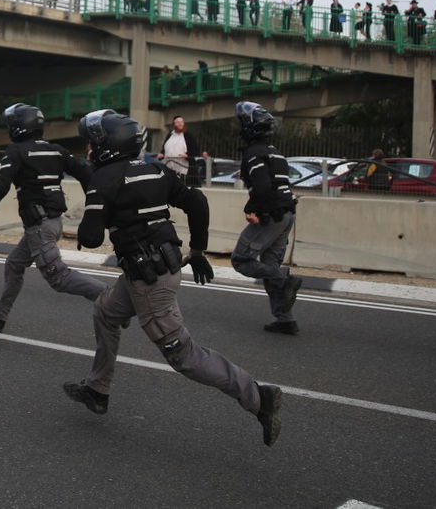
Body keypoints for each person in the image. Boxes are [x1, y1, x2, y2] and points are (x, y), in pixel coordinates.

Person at [63, 109, 283, 446]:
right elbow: (196, 201)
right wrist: (197, 251)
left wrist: (91, 209)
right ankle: (97, 389)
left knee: (184, 356)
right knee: (106, 312)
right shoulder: (153, 168)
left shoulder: (103, 180)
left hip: (149, 283)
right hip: (155, 268)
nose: (89, 151)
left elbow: (91, 237)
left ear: (106, 146)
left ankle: (257, 397)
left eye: (92, 144)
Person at [0, 103, 103, 333]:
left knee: (59, 278)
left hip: (40, 227)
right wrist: (95, 204)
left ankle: (109, 298)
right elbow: (85, 171)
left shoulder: (16, 151)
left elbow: (1, 184)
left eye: (11, 124)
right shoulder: (57, 149)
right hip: (51, 223)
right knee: (14, 264)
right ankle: (0, 315)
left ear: (20, 126)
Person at [231, 102, 304, 334]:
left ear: (249, 128)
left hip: (272, 214)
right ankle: (285, 319)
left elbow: (262, 187)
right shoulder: (275, 151)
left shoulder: (254, 153)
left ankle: (284, 278)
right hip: (287, 214)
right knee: (269, 264)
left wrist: (251, 209)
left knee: (241, 259)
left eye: (242, 123)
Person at [158, 115, 203, 184]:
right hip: (169, 168)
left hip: (185, 170)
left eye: (182, 122)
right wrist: (162, 154)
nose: (180, 124)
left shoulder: (189, 136)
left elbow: (196, 151)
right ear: (174, 124)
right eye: (178, 122)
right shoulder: (169, 136)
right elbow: (164, 149)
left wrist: (187, 155)